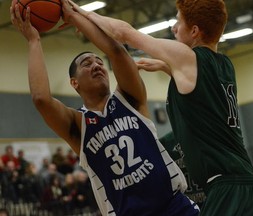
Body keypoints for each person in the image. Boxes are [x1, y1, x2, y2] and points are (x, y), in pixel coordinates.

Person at [71, 0, 253, 215]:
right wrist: (168, 67)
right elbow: (203, 94)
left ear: (194, 31)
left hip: (226, 188)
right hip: (246, 183)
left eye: (178, 22)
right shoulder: (224, 65)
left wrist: (81, 14)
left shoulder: (188, 58)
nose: (174, 28)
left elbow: (124, 32)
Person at [10, 1, 200, 216]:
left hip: (174, 207)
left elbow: (117, 51)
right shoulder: (77, 125)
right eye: (87, 63)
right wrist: (34, 40)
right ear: (74, 83)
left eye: (98, 61)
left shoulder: (129, 98)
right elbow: (41, 99)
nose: (96, 65)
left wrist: (74, 17)